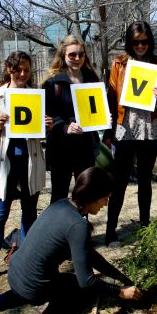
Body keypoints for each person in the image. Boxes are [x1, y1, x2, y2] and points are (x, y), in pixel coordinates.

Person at [0, 167, 143, 314]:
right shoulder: (78, 226)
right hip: (34, 286)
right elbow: (87, 281)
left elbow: (89, 255)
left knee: (37, 286)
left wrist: (119, 277)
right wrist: (120, 292)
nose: (106, 204)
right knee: (79, 291)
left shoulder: (62, 205)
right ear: (92, 196)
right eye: (105, 198)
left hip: (17, 274)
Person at [0, 51, 52, 286]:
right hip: (4, 164)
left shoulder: (36, 96)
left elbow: (40, 133)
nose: (22, 74)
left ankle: (27, 260)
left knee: (30, 214)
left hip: (29, 162)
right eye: (17, 69)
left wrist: (47, 126)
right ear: (9, 69)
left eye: (27, 70)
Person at [104, 21, 157, 246]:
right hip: (125, 125)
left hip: (148, 126)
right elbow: (111, 97)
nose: (141, 45)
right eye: (136, 41)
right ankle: (111, 231)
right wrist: (108, 131)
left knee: (145, 181)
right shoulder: (119, 63)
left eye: (145, 41)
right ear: (129, 42)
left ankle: (145, 226)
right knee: (119, 182)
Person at [43, 35, 100, 203]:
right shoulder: (52, 83)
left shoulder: (91, 79)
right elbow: (48, 114)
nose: (77, 58)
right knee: (59, 196)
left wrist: (103, 116)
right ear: (63, 55)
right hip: (61, 147)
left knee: (84, 194)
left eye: (80, 54)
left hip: (86, 146)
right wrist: (65, 127)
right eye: (72, 55)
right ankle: (59, 229)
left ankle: (82, 228)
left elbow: (95, 108)